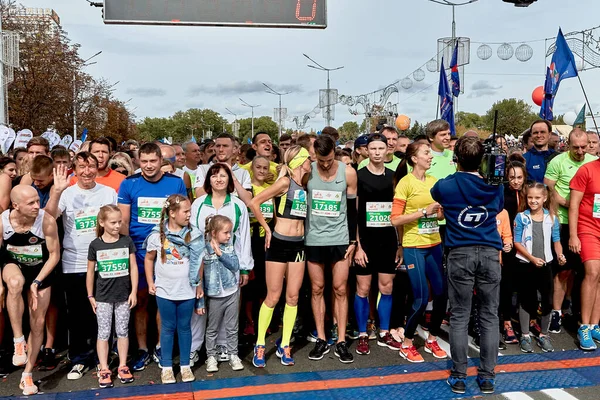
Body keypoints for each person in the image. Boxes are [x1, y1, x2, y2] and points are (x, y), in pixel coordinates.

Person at [431, 136, 504, 395]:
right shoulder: (494, 186)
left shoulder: (446, 185)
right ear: (482, 159)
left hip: (460, 252)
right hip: (488, 252)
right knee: (489, 315)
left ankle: (459, 375)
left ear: (456, 159)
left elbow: (435, 192)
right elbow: (498, 206)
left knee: (460, 315)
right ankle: (487, 376)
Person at [117, 143, 187, 371]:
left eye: (153, 161)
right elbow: (124, 221)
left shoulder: (175, 183)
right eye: (144, 161)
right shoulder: (129, 184)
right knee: (140, 300)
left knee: (163, 300)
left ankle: (160, 345)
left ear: (160, 161)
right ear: (138, 161)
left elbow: (182, 216)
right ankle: (142, 349)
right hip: (138, 251)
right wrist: (126, 251)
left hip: (167, 252)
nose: (148, 166)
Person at [49, 152, 118, 380]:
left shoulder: (108, 193)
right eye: (81, 167)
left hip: (104, 264)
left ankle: (102, 359)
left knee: (103, 314)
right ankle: (79, 359)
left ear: (97, 167)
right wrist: (57, 191)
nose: (87, 171)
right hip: (74, 263)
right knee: (78, 316)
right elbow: (48, 218)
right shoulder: (66, 194)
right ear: (74, 169)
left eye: (91, 166)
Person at [248, 146, 312, 368]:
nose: (311, 162)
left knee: (292, 297)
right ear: (300, 161)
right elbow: (254, 202)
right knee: (273, 296)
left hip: (298, 245)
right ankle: (260, 344)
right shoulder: (285, 183)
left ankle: (285, 344)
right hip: (279, 243)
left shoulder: (305, 184)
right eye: (308, 159)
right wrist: (267, 228)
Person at [190, 163, 253, 368]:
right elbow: (192, 236)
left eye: (223, 176)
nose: (218, 179)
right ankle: (196, 348)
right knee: (200, 308)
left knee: (227, 308)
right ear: (208, 179)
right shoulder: (198, 204)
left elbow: (243, 238)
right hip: (203, 265)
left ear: (230, 180)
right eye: (214, 175)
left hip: (228, 266)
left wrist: (244, 268)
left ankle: (225, 346)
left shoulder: (237, 205)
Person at [1, 185, 60, 395]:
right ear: (15, 205)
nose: (37, 206)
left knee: (38, 323)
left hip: (40, 269)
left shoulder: (46, 220)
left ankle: (27, 374)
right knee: (14, 283)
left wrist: (36, 282)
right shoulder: (3, 222)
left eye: (37, 201)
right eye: (31, 203)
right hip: (13, 265)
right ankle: (18, 340)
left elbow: (54, 255)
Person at [391, 141, 447, 362]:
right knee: (421, 297)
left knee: (441, 295)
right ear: (414, 158)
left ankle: (432, 339)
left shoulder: (434, 182)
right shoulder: (406, 183)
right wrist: (423, 212)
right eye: (426, 153)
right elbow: (395, 219)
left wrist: (440, 212)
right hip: (414, 245)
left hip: (434, 243)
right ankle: (407, 343)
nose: (431, 156)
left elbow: (440, 216)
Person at [305, 134, 358, 363]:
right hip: (314, 239)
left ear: (334, 153)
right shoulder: (308, 172)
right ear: (314, 154)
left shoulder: (348, 172)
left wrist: (354, 242)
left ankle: (341, 340)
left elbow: (353, 209)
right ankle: (321, 338)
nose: (325, 164)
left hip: (340, 238)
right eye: (321, 160)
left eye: (328, 160)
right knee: (317, 288)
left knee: (340, 288)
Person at [354, 134, 402, 356]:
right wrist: (357, 245)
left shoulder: (394, 178)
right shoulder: (358, 176)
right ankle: (363, 334)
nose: (376, 152)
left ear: (386, 151)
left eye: (380, 148)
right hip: (365, 241)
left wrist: (400, 244)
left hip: (388, 240)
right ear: (367, 151)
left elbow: (399, 213)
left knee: (387, 287)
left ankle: (384, 331)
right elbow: (353, 213)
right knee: (363, 289)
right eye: (372, 148)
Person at [544, 129, 595, 333]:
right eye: (576, 147)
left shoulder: (592, 160)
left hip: (587, 223)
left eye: (584, 147)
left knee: (585, 272)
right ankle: (556, 312)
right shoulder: (558, 161)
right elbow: (548, 187)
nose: (580, 151)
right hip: (564, 220)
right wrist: (567, 202)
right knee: (563, 269)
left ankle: (581, 312)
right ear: (568, 144)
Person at [145, 194, 200, 384]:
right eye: (185, 211)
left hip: (187, 290)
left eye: (190, 211)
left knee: (185, 327)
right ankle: (167, 367)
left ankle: (185, 366)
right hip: (165, 290)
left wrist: (198, 283)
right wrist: (150, 281)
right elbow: (149, 258)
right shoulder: (156, 235)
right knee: (167, 328)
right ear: (172, 213)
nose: (188, 215)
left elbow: (199, 260)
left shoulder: (193, 233)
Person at [87, 205, 137, 388]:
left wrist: (133, 291)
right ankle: (104, 368)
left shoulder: (126, 241)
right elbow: (90, 272)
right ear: (102, 222)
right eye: (113, 222)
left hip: (124, 296)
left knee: (123, 331)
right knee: (104, 332)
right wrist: (90, 295)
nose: (117, 226)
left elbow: (133, 268)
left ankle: (123, 365)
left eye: (120, 222)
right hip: (102, 297)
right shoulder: (95, 245)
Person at [514, 183, 564, 353]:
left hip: (546, 265)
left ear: (544, 198)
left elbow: (556, 241)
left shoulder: (552, 218)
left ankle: (543, 335)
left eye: (537, 198)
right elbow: (517, 242)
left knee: (547, 300)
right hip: (526, 264)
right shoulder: (521, 217)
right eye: (530, 197)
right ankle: (525, 335)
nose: (533, 201)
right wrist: (532, 258)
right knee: (526, 300)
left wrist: (560, 255)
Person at [201, 215, 245, 373]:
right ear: (214, 233)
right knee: (212, 328)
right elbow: (200, 274)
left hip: (231, 292)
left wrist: (220, 254)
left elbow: (234, 266)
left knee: (232, 327)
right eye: (226, 233)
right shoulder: (204, 248)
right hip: (214, 296)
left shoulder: (229, 247)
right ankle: (211, 356)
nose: (229, 236)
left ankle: (233, 354)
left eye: (230, 233)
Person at [569, 157, 600, 350]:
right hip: (588, 228)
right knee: (593, 272)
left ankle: (595, 324)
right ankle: (584, 327)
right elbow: (574, 206)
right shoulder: (587, 170)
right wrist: (573, 235)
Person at [242, 156, 272, 337]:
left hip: (266, 240)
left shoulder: (271, 189)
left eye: (265, 168)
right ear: (252, 169)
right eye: (258, 167)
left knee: (264, 282)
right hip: (250, 240)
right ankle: (249, 321)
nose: (261, 171)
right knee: (250, 284)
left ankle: (263, 319)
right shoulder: (248, 189)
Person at [500, 162, 527, 344]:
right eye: (512, 177)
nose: (516, 181)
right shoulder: (502, 193)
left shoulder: (529, 193)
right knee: (507, 285)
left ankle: (527, 319)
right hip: (508, 244)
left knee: (526, 284)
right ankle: (506, 321)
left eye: (519, 178)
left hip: (526, 244)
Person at [194, 133, 252, 205]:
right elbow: (199, 196)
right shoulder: (203, 169)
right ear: (214, 149)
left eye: (225, 146)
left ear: (234, 149)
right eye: (218, 146)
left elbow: (248, 201)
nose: (221, 149)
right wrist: (213, 174)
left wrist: (232, 176)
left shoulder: (243, 173)